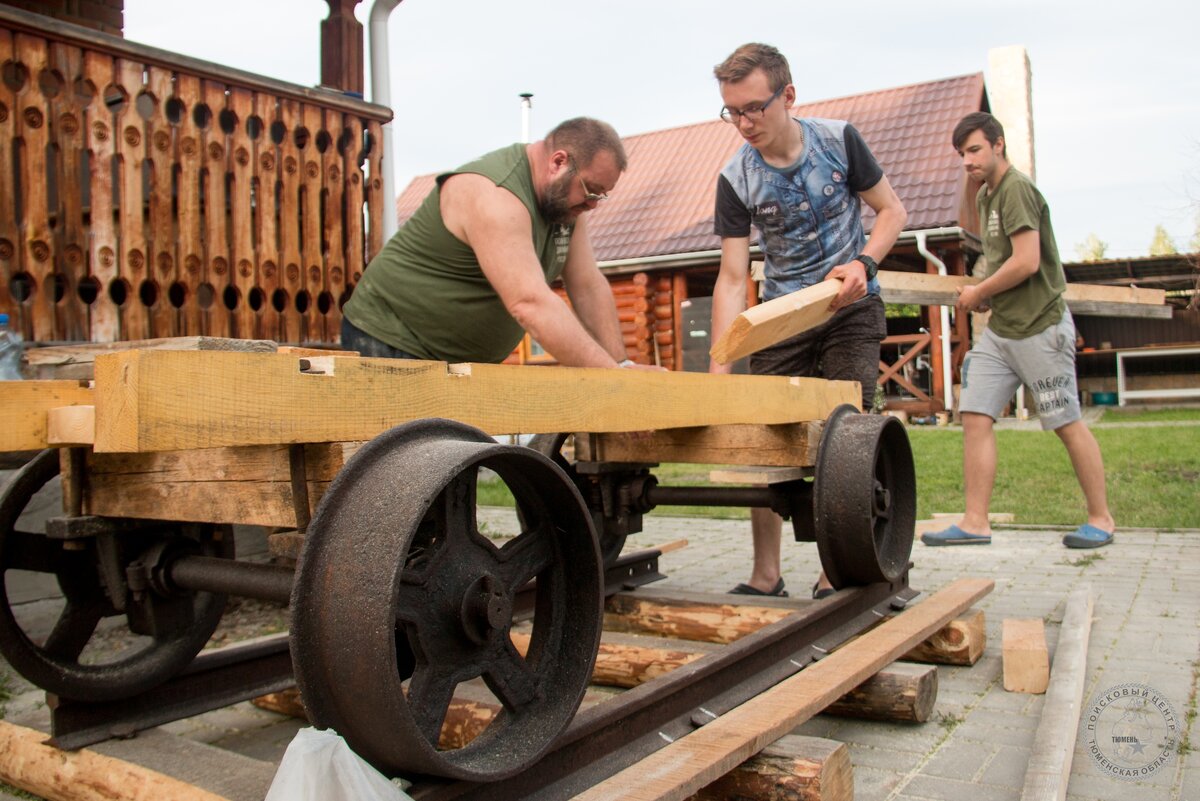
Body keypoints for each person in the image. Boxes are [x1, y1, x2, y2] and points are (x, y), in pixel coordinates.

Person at [707, 43, 908, 597]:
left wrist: (865, 263)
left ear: (787, 96)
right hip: (781, 316)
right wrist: (721, 362)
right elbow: (731, 276)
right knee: (769, 440)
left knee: (845, 431)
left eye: (754, 108)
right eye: (733, 111)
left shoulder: (838, 141)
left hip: (849, 304)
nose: (744, 123)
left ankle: (834, 570)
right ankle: (766, 574)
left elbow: (892, 211)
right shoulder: (735, 177)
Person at [923, 112, 1115, 549]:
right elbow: (1002, 259)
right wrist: (988, 289)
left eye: (974, 150)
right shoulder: (988, 195)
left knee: (1065, 422)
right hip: (1002, 333)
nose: (967, 161)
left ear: (998, 145)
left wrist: (979, 291)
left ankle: (1102, 519)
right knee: (974, 415)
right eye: (961, 154)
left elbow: (1028, 261)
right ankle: (975, 522)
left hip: (1039, 330)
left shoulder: (1017, 191)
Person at [342, 117, 649, 370]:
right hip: (391, 341)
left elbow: (587, 285)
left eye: (601, 195)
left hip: (461, 362)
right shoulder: (495, 194)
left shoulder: (566, 205)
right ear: (558, 162)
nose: (593, 205)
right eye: (591, 190)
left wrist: (622, 365)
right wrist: (614, 382)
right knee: (416, 446)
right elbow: (530, 304)